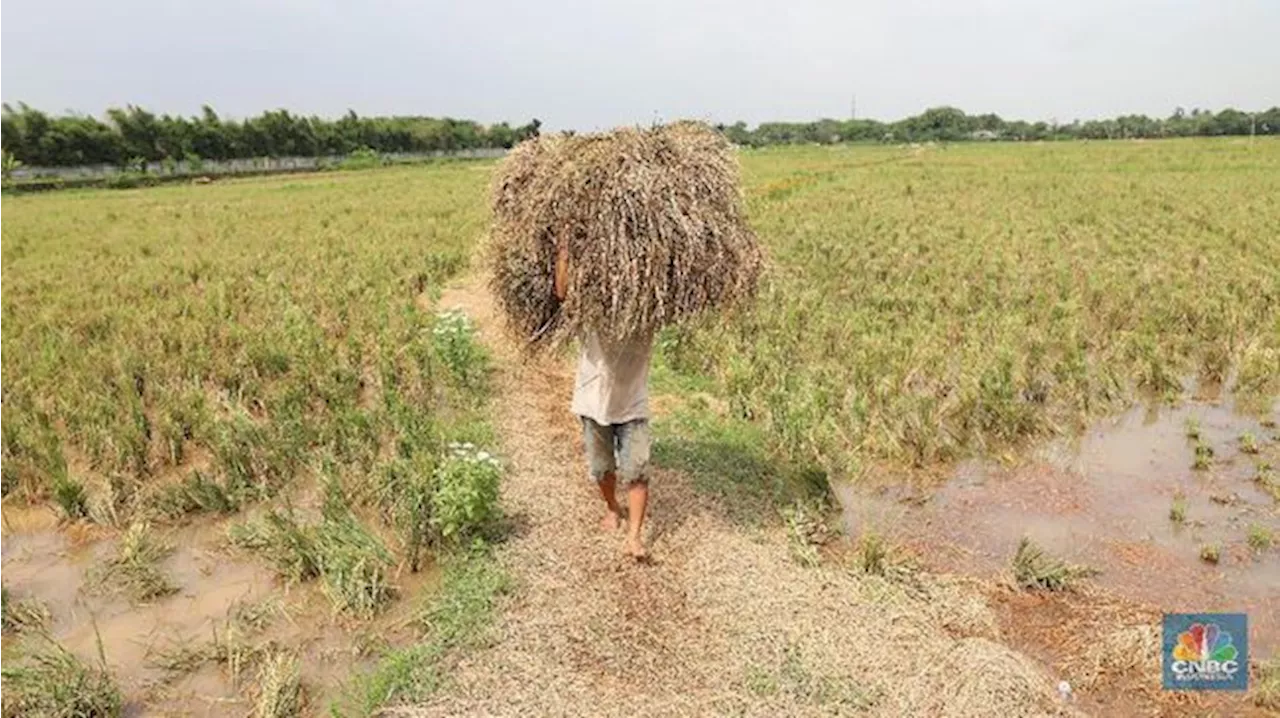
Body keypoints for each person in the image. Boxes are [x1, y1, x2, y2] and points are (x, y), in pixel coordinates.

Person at [554, 240, 653, 560]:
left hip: (633, 403)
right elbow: (562, 293)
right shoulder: (590, 311)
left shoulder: (647, 312)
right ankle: (612, 507)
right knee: (602, 468)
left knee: (637, 469)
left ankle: (635, 536)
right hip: (592, 401)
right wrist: (565, 253)